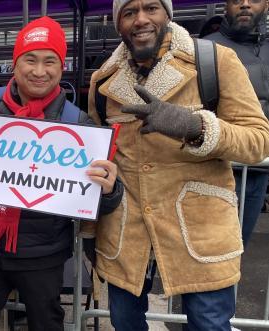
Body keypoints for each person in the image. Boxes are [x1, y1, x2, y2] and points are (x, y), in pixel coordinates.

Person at [86, 0, 269, 330]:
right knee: (124, 322)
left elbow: (258, 141)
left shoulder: (214, 62)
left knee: (208, 325)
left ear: (167, 14)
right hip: (127, 234)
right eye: (129, 12)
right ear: (118, 23)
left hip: (199, 231)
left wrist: (195, 127)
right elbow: (100, 157)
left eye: (151, 8)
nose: (141, 19)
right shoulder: (103, 82)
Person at [0, 16, 123, 331]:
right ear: (15, 63)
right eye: (30, 60)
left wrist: (109, 190)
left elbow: (99, 204)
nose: (39, 71)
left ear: (61, 67)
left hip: (44, 256)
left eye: (50, 61)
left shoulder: (80, 124)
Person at [204, 0, 269, 247]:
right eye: (235, 0)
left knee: (237, 249)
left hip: (258, 168)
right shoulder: (207, 47)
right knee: (210, 251)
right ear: (225, 6)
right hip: (216, 167)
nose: (244, 4)